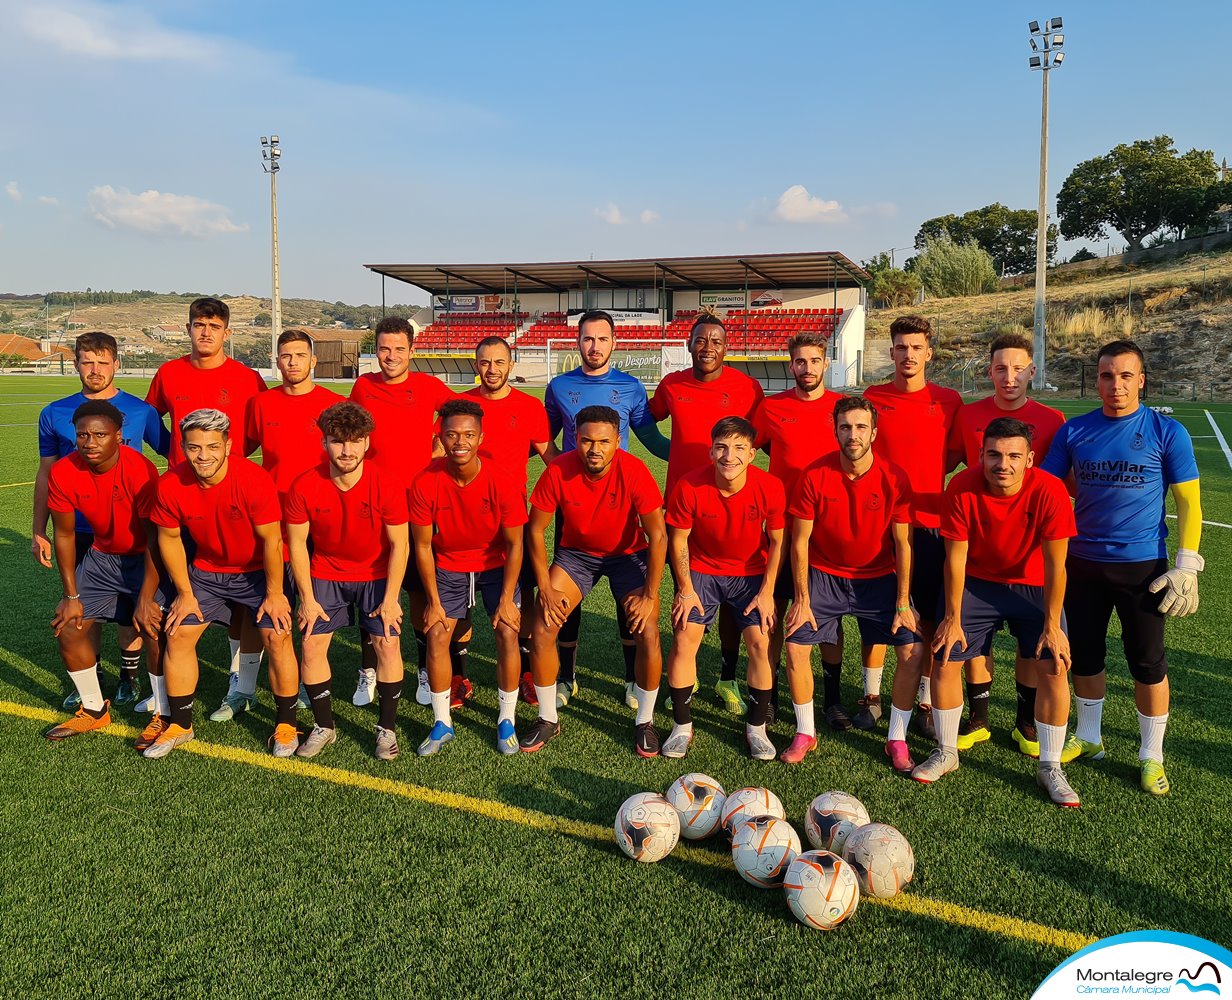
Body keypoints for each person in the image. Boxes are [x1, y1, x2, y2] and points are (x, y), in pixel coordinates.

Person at [1041, 340, 1202, 797]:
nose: (1116, 385)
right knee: (1085, 656)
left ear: (1142, 380)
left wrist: (1187, 565)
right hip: (1082, 563)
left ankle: (1152, 756)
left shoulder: (1167, 432)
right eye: (1107, 376)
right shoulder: (1075, 432)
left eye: (1125, 376)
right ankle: (1090, 738)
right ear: (1097, 380)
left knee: (1148, 663)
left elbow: (1189, 502)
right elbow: (1047, 490)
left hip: (1143, 569)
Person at [923, 417, 1079, 807]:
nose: (1002, 464)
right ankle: (946, 751)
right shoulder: (961, 486)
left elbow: (1056, 566)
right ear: (980, 455)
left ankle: (1050, 765)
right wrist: (953, 617)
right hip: (977, 582)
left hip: (1034, 585)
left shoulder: (1051, 490)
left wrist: (1051, 624)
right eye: (993, 454)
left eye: (1013, 455)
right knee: (944, 654)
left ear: (1029, 460)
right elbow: (954, 560)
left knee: (1056, 663)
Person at [207, 329, 344, 723]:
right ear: (277, 360)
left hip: (323, 521)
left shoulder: (334, 405)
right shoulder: (261, 403)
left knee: (312, 606)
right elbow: (240, 451)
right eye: (285, 356)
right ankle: (243, 688)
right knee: (261, 604)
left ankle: (303, 678)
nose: (293, 362)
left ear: (314, 360)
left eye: (300, 355)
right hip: (273, 521)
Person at [145, 409, 299, 759]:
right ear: (182, 447)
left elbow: (272, 542)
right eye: (195, 447)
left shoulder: (253, 479)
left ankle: (286, 723)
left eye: (213, 446)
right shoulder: (171, 484)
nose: (204, 456)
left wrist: (275, 594)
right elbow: (168, 539)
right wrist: (184, 593)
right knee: (179, 633)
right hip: (207, 572)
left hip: (258, 571)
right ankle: (181, 725)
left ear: (228, 445)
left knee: (277, 634)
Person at [782, 397, 923, 766]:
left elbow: (904, 543)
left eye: (861, 427)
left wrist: (903, 602)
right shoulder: (814, 474)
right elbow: (799, 541)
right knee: (796, 642)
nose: (853, 435)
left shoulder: (895, 477)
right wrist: (801, 598)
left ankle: (896, 738)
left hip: (877, 579)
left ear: (874, 432)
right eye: (846, 427)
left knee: (912, 651)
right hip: (825, 576)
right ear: (835, 431)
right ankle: (805, 732)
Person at [520, 405, 667, 756]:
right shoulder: (558, 468)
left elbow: (658, 536)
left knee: (648, 629)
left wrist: (650, 594)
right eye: (586, 441)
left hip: (628, 557)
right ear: (576, 438)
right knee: (543, 626)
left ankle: (645, 721)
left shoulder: (634, 470)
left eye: (603, 441)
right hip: (577, 557)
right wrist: (544, 585)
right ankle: (547, 718)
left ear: (618, 440)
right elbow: (535, 528)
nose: (594, 449)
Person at [543, 310, 670, 710]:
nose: (594, 346)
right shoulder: (559, 386)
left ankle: (634, 679)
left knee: (627, 596)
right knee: (565, 600)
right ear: (577, 343)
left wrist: (701, 459)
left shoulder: (631, 387)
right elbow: (542, 439)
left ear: (614, 343)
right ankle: (566, 677)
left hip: (622, 505)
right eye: (587, 339)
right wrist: (564, 479)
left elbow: (651, 438)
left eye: (602, 339)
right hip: (575, 506)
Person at [946, 332, 1066, 756]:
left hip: (1030, 561)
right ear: (989, 370)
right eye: (1001, 368)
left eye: (1019, 368)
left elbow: (1053, 485)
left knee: (1034, 646)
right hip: (979, 557)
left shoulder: (1053, 420)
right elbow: (951, 468)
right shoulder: (967, 415)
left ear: (1032, 371)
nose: (1009, 376)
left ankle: (1025, 721)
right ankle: (978, 718)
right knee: (972, 645)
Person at [145, 298, 269, 704]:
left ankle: (240, 676)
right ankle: (164, 693)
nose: (206, 332)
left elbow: (258, 427)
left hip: (230, 497)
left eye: (214, 326)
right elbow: (149, 419)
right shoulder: (169, 372)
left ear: (227, 333)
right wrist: (173, 454)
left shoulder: (247, 377)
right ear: (188, 329)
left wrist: (234, 460)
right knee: (178, 596)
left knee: (242, 595)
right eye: (199, 325)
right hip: (183, 500)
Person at [34, 331, 168, 708]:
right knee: (79, 615)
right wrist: (36, 528)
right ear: (75, 363)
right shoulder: (55, 413)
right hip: (81, 529)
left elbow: (175, 454)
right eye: (87, 361)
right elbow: (46, 472)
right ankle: (92, 689)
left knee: (135, 614)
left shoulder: (141, 412)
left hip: (134, 527)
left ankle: (130, 677)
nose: (94, 369)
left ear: (116, 364)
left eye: (102, 362)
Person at [649, 313, 764, 714]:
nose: (708, 347)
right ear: (689, 344)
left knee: (736, 595)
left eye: (716, 340)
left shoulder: (748, 388)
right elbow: (644, 424)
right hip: (683, 507)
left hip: (731, 506)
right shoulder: (671, 385)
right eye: (701, 340)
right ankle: (688, 672)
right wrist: (672, 454)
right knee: (686, 592)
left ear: (726, 347)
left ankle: (728, 676)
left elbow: (760, 440)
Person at [284, 402, 408, 761]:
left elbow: (400, 544)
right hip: (326, 573)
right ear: (325, 443)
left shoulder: (386, 483)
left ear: (367, 443)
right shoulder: (305, 485)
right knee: (310, 644)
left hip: (376, 573)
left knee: (386, 644)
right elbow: (297, 545)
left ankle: (386, 729)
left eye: (355, 441)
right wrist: (306, 598)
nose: (347, 450)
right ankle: (325, 725)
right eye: (338, 442)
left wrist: (391, 598)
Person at [42, 401, 168, 748]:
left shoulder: (139, 470)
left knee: (154, 629)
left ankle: (165, 714)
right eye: (82, 434)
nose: (90, 442)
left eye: (100, 434)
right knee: (69, 626)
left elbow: (156, 539)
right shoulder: (64, 471)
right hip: (101, 559)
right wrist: (71, 597)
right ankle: (95, 710)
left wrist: (145, 598)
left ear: (119, 437)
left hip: (146, 557)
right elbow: (65, 535)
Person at [864, 315, 963, 741]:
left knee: (923, 614)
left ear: (929, 353)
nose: (908, 355)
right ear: (892, 352)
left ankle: (923, 698)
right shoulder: (873, 396)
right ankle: (869, 696)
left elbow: (956, 456)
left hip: (928, 525)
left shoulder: (948, 401)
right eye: (901, 347)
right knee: (875, 614)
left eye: (916, 347)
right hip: (878, 523)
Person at [662, 417, 784, 760]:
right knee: (685, 635)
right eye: (722, 447)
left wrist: (767, 591)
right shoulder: (689, 486)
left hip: (751, 572)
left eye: (740, 448)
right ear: (711, 451)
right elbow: (679, 540)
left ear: (753, 454)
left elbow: (777, 542)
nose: (730, 456)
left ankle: (757, 728)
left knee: (761, 641)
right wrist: (685, 588)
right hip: (703, 570)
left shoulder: (770, 487)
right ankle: (682, 727)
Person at [410, 399, 527, 755]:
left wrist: (507, 598)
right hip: (447, 565)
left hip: (495, 565)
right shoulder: (424, 482)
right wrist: (432, 601)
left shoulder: (501, 479)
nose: (460, 441)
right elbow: (423, 547)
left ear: (481, 437)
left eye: (468, 434)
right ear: (441, 438)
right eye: (451, 434)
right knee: (436, 634)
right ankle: (442, 722)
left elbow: (515, 544)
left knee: (507, 631)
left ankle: (506, 721)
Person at [349, 316, 453, 707]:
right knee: (370, 590)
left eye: (398, 349)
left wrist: (440, 442)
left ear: (412, 350)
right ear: (376, 350)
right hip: (370, 504)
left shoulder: (427, 386)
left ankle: (425, 671)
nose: (390, 356)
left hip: (416, 507)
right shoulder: (363, 386)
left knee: (417, 592)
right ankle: (368, 670)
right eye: (383, 349)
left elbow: (461, 410)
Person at [455, 336, 556, 712]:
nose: (492, 369)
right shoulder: (462, 407)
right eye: (484, 362)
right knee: (461, 604)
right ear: (475, 364)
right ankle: (458, 676)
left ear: (511, 365)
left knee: (522, 601)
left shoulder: (528, 407)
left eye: (499, 362)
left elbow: (551, 457)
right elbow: (437, 453)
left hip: (513, 522)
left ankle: (527, 673)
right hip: (464, 523)